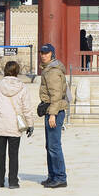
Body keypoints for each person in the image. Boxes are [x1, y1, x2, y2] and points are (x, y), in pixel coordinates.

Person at [0, 60, 34, 188]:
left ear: (5, 71)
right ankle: (13, 181)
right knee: (13, 155)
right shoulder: (22, 87)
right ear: (17, 72)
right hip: (14, 125)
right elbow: (26, 108)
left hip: (0, 123)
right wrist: (30, 124)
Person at [37, 43, 69, 188]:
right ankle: (52, 175)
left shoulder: (53, 71)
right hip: (50, 109)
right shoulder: (47, 70)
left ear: (52, 54)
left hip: (54, 111)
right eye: (42, 53)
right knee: (49, 145)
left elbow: (56, 95)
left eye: (46, 53)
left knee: (54, 146)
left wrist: (52, 115)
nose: (43, 55)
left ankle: (60, 177)